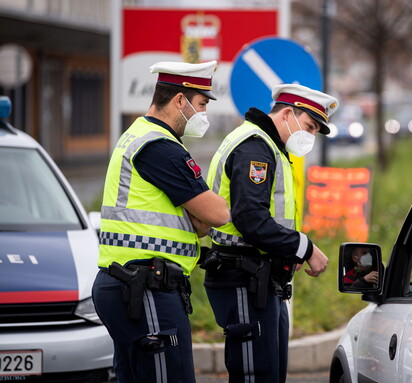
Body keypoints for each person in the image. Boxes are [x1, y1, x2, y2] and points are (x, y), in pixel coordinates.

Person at [92, 61, 230, 383]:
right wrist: (204, 212)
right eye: (201, 105)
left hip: (129, 284)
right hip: (145, 288)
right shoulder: (159, 147)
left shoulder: (138, 136)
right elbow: (217, 215)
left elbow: (200, 223)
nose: (203, 115)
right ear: (179, 101)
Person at [201, 84, 339, 383]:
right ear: (288, 113)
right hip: (244, 278)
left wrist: (286, 250)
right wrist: (305, 248)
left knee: (269, 374)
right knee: (256, 376)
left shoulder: (269, 147)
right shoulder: (255, 147)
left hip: (259, 281)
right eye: (309, 127)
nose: (310, 136)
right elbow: (251, 218)